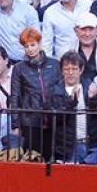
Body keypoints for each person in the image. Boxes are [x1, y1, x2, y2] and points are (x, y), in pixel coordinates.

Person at [9, 27, 60, 159]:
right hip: (30, 120)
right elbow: (15, 96)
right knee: (33, 158)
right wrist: (15, 124)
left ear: (40, 44)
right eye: (26, 46)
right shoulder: (19, 68)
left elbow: (60, 90)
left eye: (33, 45)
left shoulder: (55, 65)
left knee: (52, 158)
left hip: (53, 118)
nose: (30, 49)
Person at [50, 50, 97, 163]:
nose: (70, 72)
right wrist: (71, 103)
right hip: (66, 147)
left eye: (74, 69)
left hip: (90, 144)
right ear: (62, 71)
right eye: (66, 69)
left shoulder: (89, 87)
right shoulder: (55, 91)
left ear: (81, 70)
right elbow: (53, 119)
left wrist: (94, 99)